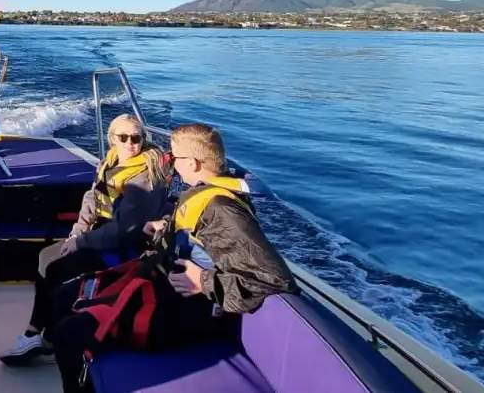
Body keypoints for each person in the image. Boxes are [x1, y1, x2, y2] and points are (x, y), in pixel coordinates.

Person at [45, 123, 298, 392]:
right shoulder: (203, 190)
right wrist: (166, 226)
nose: (171, 163)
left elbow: (275, 279)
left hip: (185, 310)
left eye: (175, 158)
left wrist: (203, 281)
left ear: (194, 163)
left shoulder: (222, 210)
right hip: (160, 281)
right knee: (63, 296)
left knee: (68, 335)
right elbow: (201, 235)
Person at [0, 115, 169, 365]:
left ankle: (39, 335)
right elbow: (92, 198)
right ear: (112, 139)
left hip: (126, 245)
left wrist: (79, 243)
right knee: (46, 256)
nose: (131, 144)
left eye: (136, 138)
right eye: (124, 138)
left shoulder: (143, 178)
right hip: (102, 233)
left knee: (58, 267)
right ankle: (42, 331)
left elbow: (124, 230)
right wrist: (77, 233)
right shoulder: (111, 162)